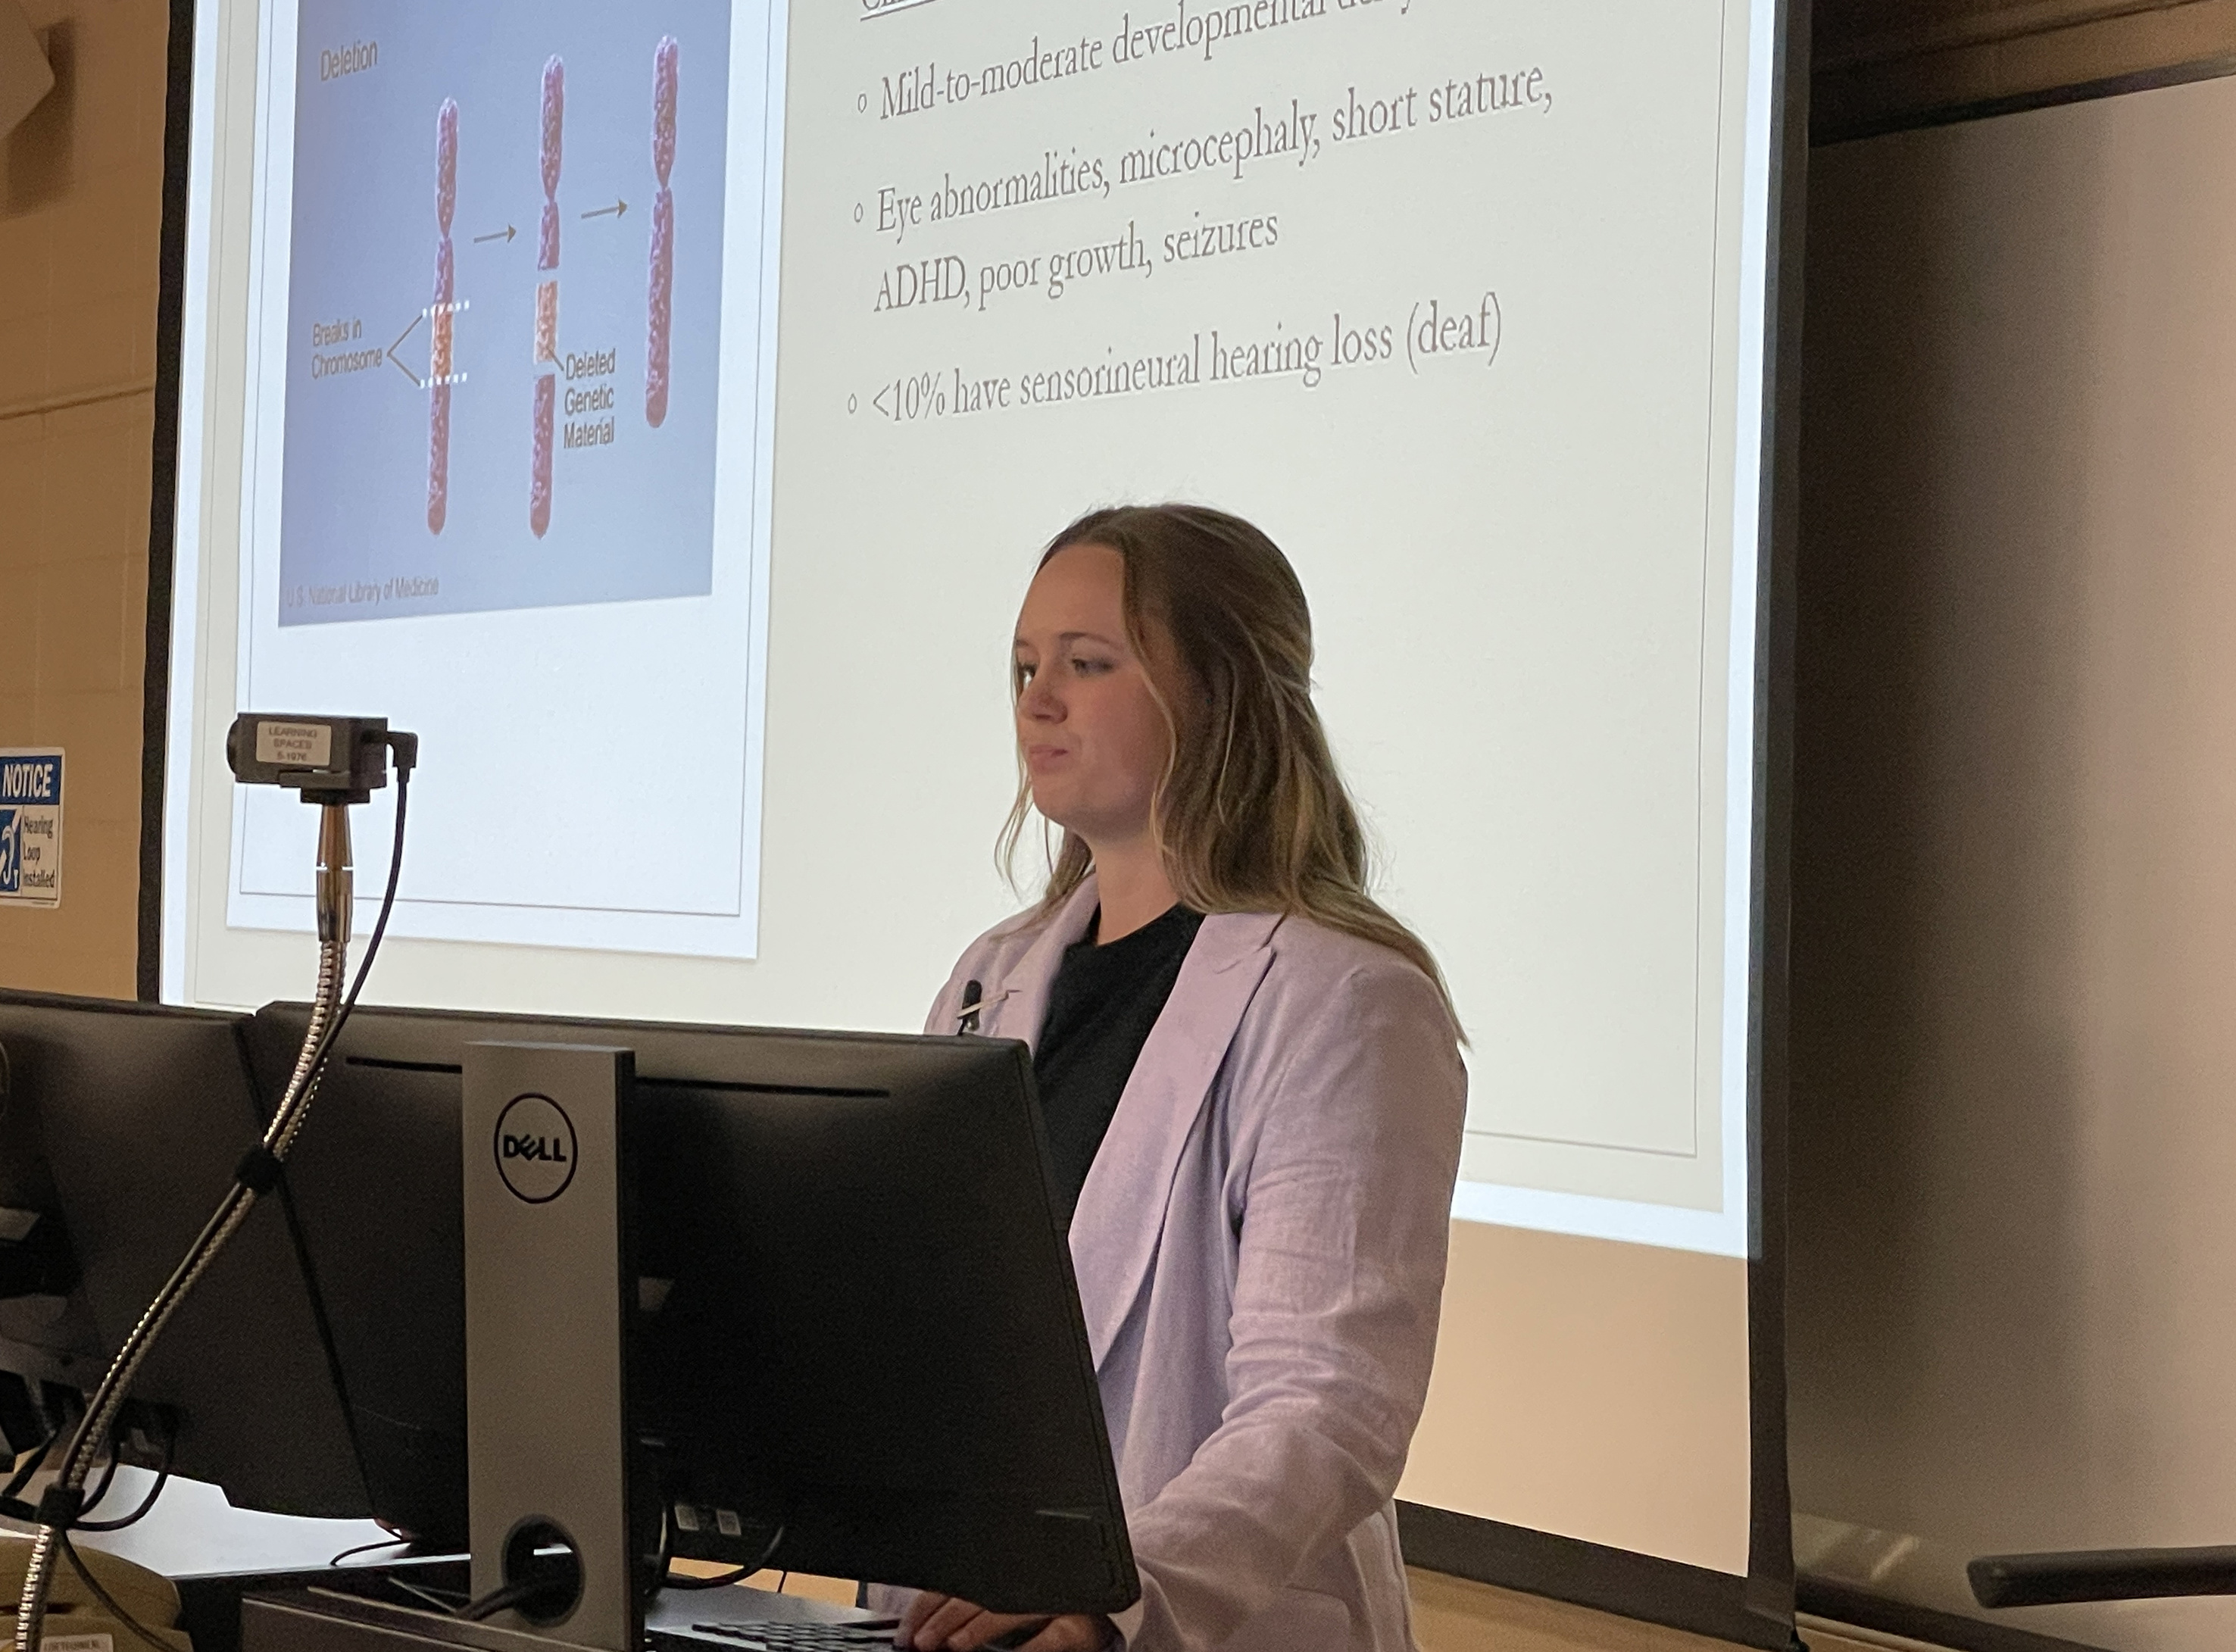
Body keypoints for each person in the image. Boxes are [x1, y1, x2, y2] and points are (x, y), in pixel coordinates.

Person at [889, 505, 1466, 1652]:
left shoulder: (1346, 1001)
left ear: (1219, 692)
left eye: (1087, 663)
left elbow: (1326, 1403)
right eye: (1025, 667)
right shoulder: (989, 975)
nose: (1037, 702)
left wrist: (1122, 1590)